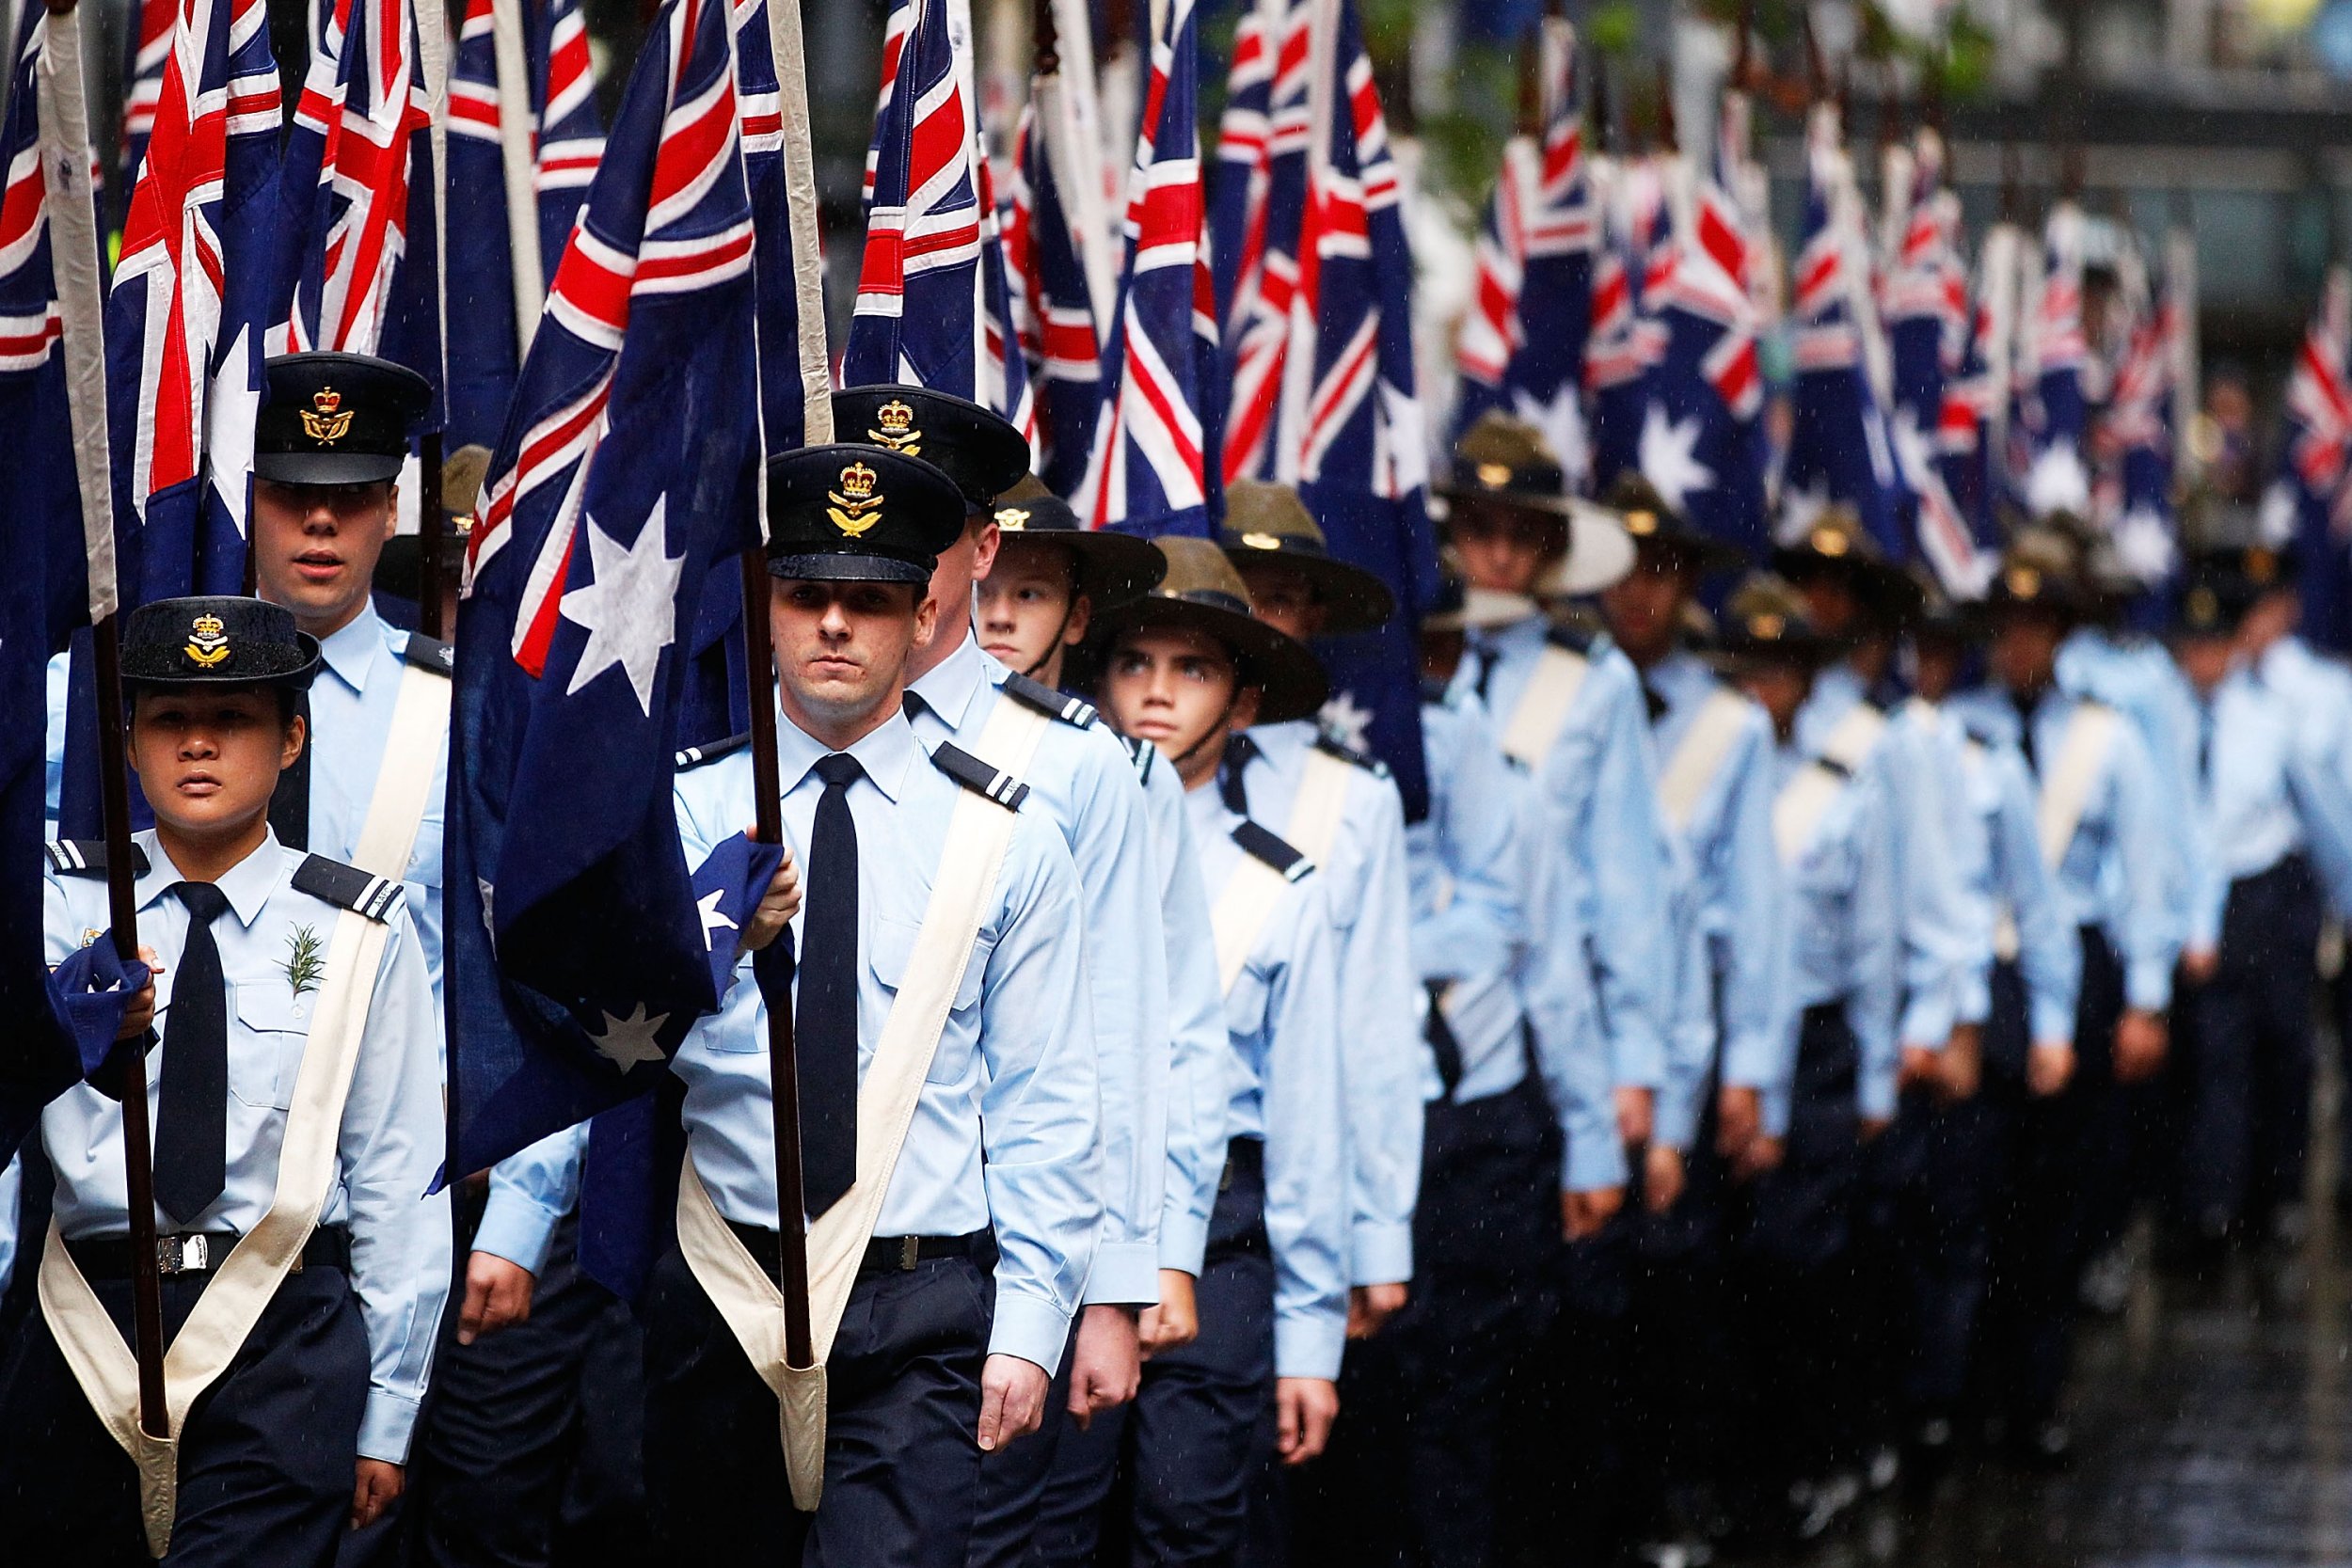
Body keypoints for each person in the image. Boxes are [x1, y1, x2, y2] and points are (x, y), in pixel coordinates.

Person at [655, 442, 1103, 1560]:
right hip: (725, 1282)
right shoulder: (682, 811)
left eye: (870, 600)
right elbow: (596, 1033)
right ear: (766, 607)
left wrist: (1033, 1324)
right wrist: (706, 933)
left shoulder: (1007, 831)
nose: (837, 626)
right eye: (808, 596)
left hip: (923, 1300)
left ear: (924, 617)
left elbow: (1046, 1095)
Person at [0, 595, 451, 1563]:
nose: (198, 745)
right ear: (127, 743)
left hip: (277, 1333)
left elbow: (396, 1173)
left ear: (290, 740)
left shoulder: (356, 927)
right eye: (169, 720)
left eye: (233, 720)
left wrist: (389, 1409)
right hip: (81, 1322)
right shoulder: (54, 906)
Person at [825, 386, 1176, 1566]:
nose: (893, 565)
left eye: (929, 531)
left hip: (988, 1261)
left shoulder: (1069, 764)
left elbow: (1120, 1032)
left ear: (982, 549)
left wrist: (1113, 1287)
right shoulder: (783, 726)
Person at [1039, 537, 1349, 1568]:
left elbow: (1307, 1121)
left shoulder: (1281, 880)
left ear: (1244, 704)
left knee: (1186, 1521)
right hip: (1067, 1203)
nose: (1157, 694)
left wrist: (1308, 1340)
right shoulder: (1045, 831)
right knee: (1053, 1523)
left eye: (1194, 668)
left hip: (1220, 1231)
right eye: (1134, 664)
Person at [1291, 567, 1611, 1568]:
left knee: (1456, 1398)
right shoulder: (1268, 749)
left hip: (1462, 1110)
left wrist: (1370, 947)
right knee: (1348, 1414)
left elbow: (1512, 920)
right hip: (1327, 1112)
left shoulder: (1452, 732)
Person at [1437, 415, 1665, 1561]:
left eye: (1516, 532)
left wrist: (1632, 1076)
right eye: (1470, 528)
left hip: (1536, 1040)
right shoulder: (1395, 659)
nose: (1493, 555)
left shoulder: (1592, 680)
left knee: (1519, 1357)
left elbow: (1625, 888)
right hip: (1400, 1046)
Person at [1943, 537, 2173, 1466]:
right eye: (2008, 627)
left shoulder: (2105, 735)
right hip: (1981, 963)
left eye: (2039, 626)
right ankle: (1970, 1392)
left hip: (2074, 963)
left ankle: (2035, 1397)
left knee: (2052, 1196)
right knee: (1972, 1194)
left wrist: (2145, 998)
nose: (2021, 644)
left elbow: (2142, 867)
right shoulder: (1961, 725)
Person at [1592, 475, 1787, 1557]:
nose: (1635, 594)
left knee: (1676, 1283)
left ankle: (1675, 1500)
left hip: (1682, 1032)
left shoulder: (1728, 722)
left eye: (1658, 570)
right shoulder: (1561, 692)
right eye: (1617, 570)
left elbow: (1753, 907)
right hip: (1578, 1027)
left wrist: (1749, 1066)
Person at [1709, 576, 1899, 1544]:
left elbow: (1870, 935)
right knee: (1723, 1273)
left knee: (1804, 1263)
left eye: (1782, 668)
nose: (1764, 685)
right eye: (1749, 667)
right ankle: (1743, 1470)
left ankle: (1816, 1456)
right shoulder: (1700, 762)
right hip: (1724, 1034)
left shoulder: (1841, 776)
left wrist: (1870, 1074)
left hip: (1819, 1042)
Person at [1216, 480, 1422, 1338]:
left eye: (1287, 599)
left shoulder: (1353, 794)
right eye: (1243, 591)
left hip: (1277, 1173)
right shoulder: (1117, 762)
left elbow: (1375, 1026)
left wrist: (1377, 1235)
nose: (1262, 617)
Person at [1901, 591, 2079, 1487]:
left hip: (1979, 1014)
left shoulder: (1986, 759)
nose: (1926, 665)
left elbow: (2036, 907)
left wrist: (2049, 1025)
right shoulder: (1871, 751)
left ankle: (2004, 1403)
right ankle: (1929, 1405)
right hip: (1890, 1022)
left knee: (1997, 1222)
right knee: (1919, 1230)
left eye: (1942, 648)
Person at [2167, 551, 2352, 1256]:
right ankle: (2214, 1201)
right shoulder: (2169, 717)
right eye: (2195, 644)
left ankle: (2276, 1197)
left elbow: (2324, 815)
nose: (2206, 658)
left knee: (2286, 1049)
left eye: (2217, 643)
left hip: (2273, 899)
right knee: (2217, 1056)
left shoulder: (2270, 717)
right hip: (2205, 904)